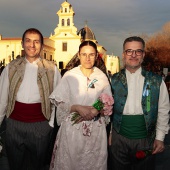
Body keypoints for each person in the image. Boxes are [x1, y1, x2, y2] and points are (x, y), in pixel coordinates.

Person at [0, 28, 61, 170]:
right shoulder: (11, 67)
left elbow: (58, 99)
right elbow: (2, 99)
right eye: (28, 41)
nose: (32, 45)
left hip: (40, 126)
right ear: (22, 44)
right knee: (15, 164)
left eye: (36, 42)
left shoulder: (52, 69)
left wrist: (50, 124)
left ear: (42, 45)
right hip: (14, 125)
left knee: (37, 165)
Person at [49, 40, 113, 170]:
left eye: (91, 54)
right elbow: (60, 102)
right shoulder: (69, 76)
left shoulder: (102, 77)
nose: (87, 58)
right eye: (84, 54)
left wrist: (96, 110)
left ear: (96, 56)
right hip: (73, 130)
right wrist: (77, 107)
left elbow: (107, 100)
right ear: (79, 55)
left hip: (95, 131)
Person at [109, 36, 170, 170]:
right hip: (119, 139)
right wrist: (110, 135)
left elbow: (163, 110)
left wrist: (160, 138)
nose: (133, 55)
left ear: (143, 54)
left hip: (146, 140)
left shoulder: (157, 81)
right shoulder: (113, 80)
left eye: (138, 51)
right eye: (129, 51)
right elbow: (109, 110)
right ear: (123, 54)